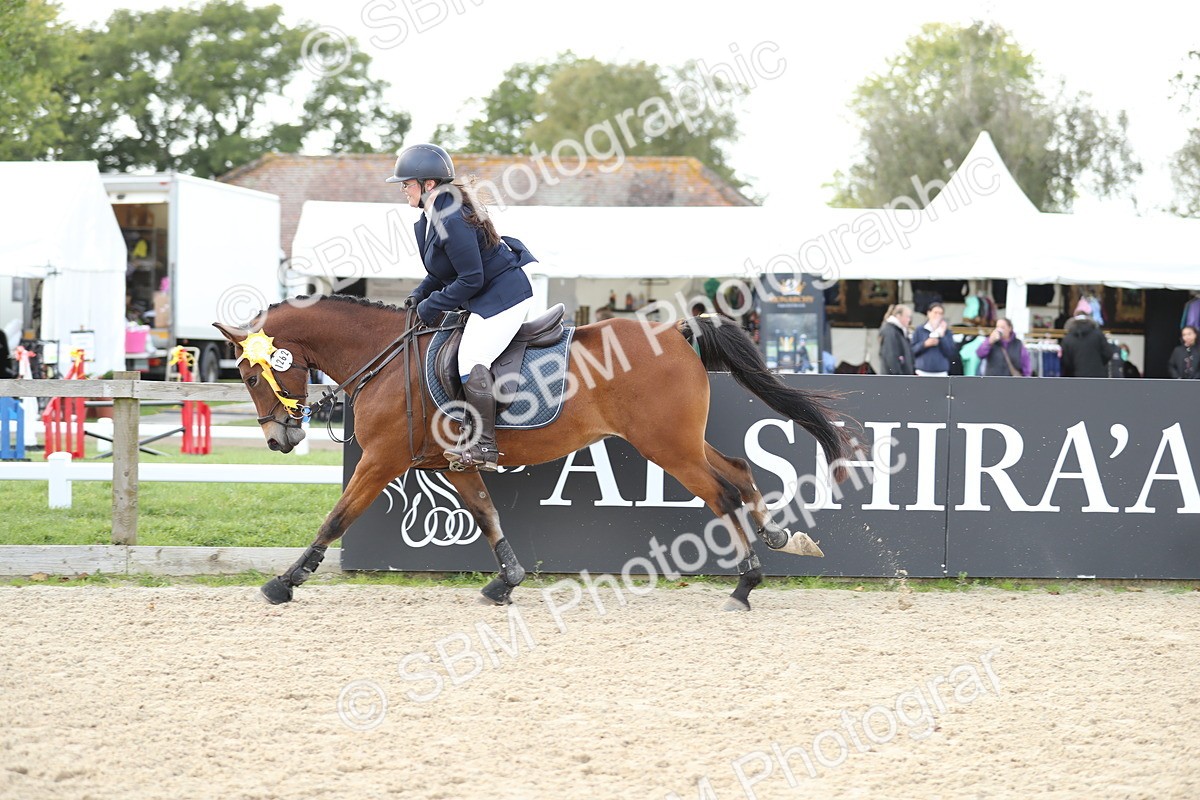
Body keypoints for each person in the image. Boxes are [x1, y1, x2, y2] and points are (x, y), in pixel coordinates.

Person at [388, 143, 538, 471]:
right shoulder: (432, 217)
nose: (403, 190)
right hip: (486, 293)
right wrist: (421, 293)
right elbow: (443, 272)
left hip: (503, 297)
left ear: (429, 184)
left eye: (407, 183)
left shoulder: (450, 216)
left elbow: (471, 278)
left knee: (471, 359)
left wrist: (433, 306)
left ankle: (484, 446)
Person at [910, 302, 957, 376]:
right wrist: (925, 344)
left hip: (941, 372)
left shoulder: (947, 332)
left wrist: (942, 337)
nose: (937, 315)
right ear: (929, 313)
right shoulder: (920, 330)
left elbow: (950, 352)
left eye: (940, 313)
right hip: (922, 371)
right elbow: (912, 350)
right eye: (935, 313)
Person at [1060, 310, 1111, 378]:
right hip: (1098, 377)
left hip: (1077, 378)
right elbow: (1108, 354)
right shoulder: (1098, 335)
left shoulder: (1068, 339)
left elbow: (1066, 362)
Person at [878, 304, 915, 375]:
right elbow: (891, 356)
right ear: (898, 316)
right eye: (907, 317)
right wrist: (898, 375)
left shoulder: (899, 331)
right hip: (894, 380)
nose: (909, 320)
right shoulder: (890, 331)